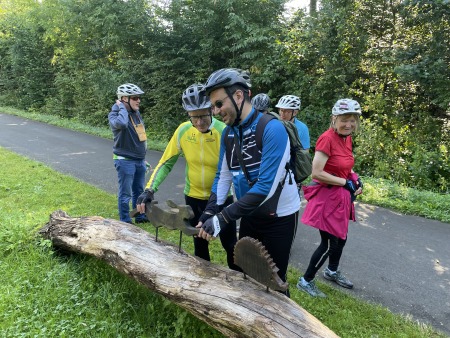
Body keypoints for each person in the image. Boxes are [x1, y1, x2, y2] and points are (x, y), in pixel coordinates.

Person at [197, 68, 300, 293]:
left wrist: (223, 217)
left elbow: (265, 188)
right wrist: (209, 212)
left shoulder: (273, 129)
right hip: (249, 213)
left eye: (218, 104)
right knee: (248, 270)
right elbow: (223, 176)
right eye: (213, 106)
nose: (215, 112)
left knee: (275, 280)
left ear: (239, 96)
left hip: (279, 217)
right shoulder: (228, 133)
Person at [136, 83, 239, 270]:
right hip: (193, 197)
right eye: (193, 117)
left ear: (211, 110)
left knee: (230, 245)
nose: (199, 122)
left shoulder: (225, 131)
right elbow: (166, 162)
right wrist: (149, 189)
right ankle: (203, 283)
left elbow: (234, 171)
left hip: (222, 199)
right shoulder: (183, 130)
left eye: (202, 115)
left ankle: (242, 287)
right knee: (199, 243)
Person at [296, 98, 364, 298]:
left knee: (341, 239)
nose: (349, 124)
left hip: (341, 197)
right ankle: (305, 281)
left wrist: (354, 178)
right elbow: (316, 173)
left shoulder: (347, 137)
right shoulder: (327, 138)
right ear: (334, 118)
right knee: (329, 244)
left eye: (353, 120)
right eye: (344, 119)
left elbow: (345, 165)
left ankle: (331, 271)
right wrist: (345, 183)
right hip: (328, 198)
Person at [108, 83, 148, 224]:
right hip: (125, 160)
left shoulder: (136, 113)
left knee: (138, 191)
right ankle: (125, 221)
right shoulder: (114, 115)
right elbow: (122, 124)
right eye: (135, 98)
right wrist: (120, 107)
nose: (139, 100)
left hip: (139, 159)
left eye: (139, 98)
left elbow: (141, 135)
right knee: (125, 194)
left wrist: (143, 157)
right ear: (124, 98)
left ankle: (140, 216)